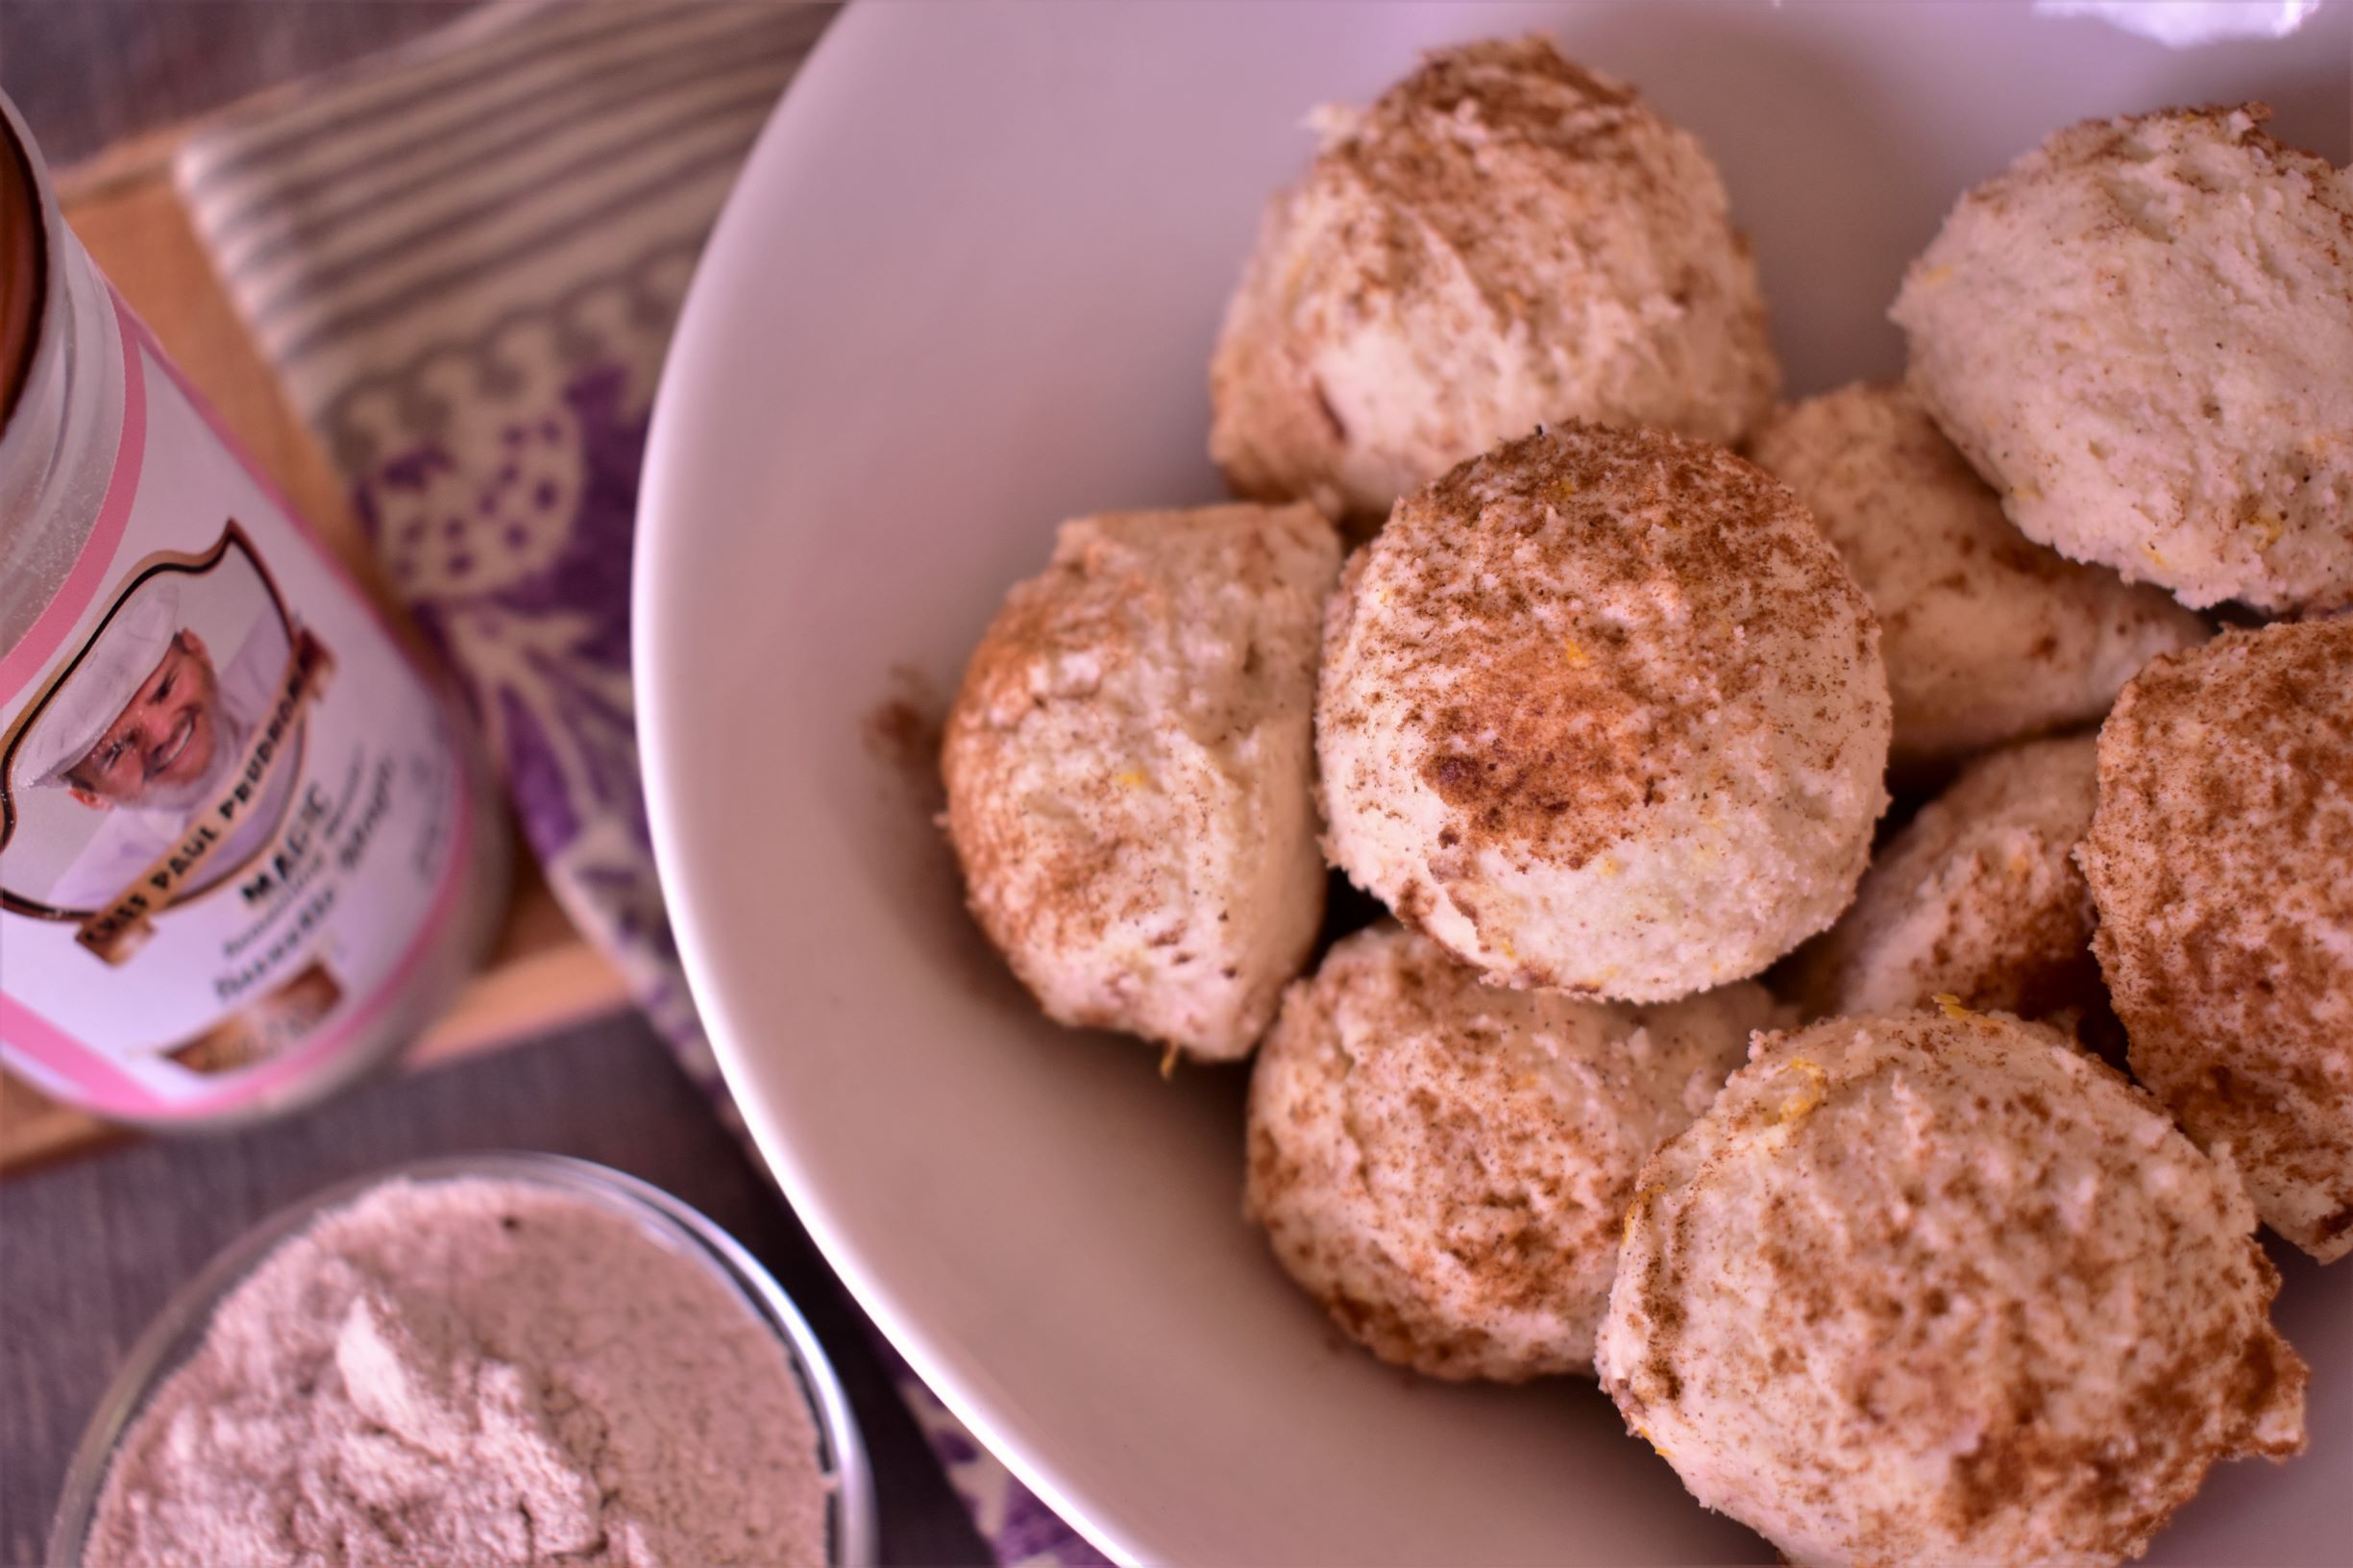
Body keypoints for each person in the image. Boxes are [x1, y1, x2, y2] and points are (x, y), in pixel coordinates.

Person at [14, 576, 298, 913]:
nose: (163, 732)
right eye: (116, 750)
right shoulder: (93, 903)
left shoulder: (286, 641)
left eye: (165, 688)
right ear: (91, 797)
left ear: (196, 649)